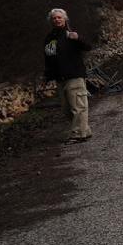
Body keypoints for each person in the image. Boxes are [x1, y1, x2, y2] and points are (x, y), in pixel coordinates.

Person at [43, 8, 94, 143]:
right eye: (54, 18)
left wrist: (78, 38)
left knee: (78, 106)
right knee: (66, 108)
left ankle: (77, 134)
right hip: (60, 78)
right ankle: (85, 130)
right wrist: (48, 76)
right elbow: (48, 58)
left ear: (65, 19)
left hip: (74, 75)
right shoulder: (49, 38)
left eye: (59, 17)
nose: (57, 20)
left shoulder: (71, 34)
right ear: (51, 21)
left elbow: (88, 46)